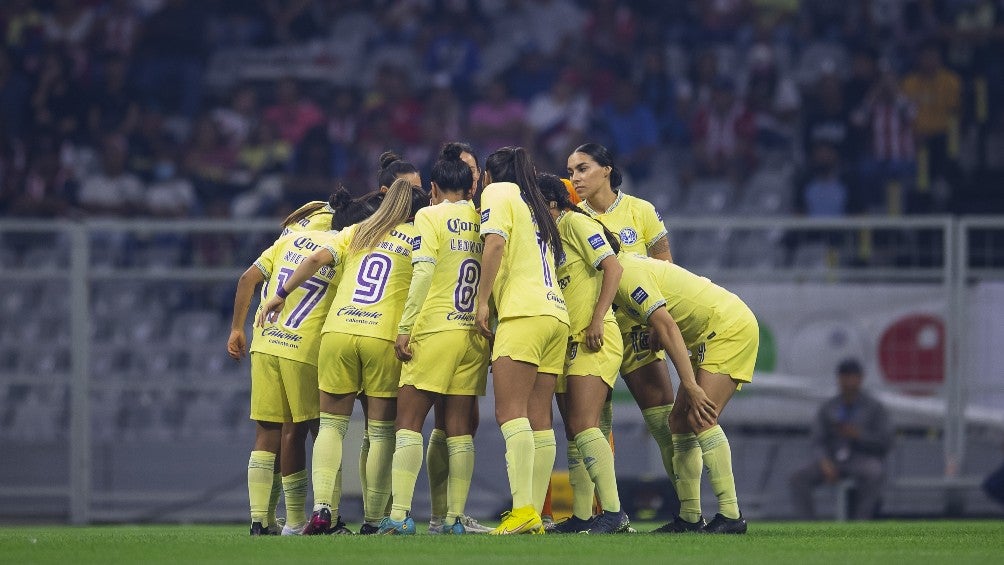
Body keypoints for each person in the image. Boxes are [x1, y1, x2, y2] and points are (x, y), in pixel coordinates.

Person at [257, 177, 427, 535]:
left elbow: (317, 257)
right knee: (380, 432)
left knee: (331, 427)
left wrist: (282, 292)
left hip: (337, 332)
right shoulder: (417, 237)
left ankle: (321, 510)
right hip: (381, 335)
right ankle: (374, 519)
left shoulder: (359, 230)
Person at [227, 189, 355, 535]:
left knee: (267, 431)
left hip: (265, 341)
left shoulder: (287, 240)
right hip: (305, 347)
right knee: (316, 431)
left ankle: (259, 521)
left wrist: (237, 329)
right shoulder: (344, 246)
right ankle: (307, 519)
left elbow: (246, 280)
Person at [377, 144, 490, 535]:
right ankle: (454, 518)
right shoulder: (482, 220)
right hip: (473, 335)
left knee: (408, 423)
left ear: (435, 187)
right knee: (459, 430)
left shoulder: (430, 214)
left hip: (436, 328)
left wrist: (406, 326)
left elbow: (423, 271)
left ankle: (399, 516)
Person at [567, 143, 678, 531]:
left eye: (583, 169)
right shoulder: (570, 216)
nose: (575, 178)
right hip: (592, 333)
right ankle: (591, 515)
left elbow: (664, 263)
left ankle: (690, 511)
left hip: (635, 332)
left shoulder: (640, 210)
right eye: (571, 171)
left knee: (665, 422)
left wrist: (655, 322)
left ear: (607, 170)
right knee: (588, 426)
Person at [611, 251, 759, 534]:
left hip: (727, 328)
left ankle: (731, 515)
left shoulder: (625, 274)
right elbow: (665, 311)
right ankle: (690, 517)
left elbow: (667, 325)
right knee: (678, 423)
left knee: (701, 417)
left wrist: (689, 384)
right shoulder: (626, 267)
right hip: (709, 332)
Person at [476, 146, 569, 535]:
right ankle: (532, 514)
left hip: (523, 313)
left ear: (489, 175)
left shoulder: (498, 193)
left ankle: (522, 509)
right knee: (539, 417)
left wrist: (482, 302)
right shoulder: (536, 205)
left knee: (509, 413)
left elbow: (494, 244)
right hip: (555, 315)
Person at [536, 173, 630, 534]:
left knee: (585, 425)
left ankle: (613, 512)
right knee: (575, 431)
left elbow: (613, 267)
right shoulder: (549, 238)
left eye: (536, 205)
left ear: (553, 205)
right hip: (566, 343)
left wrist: (596, 321)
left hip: (593, 337)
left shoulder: (575, 222)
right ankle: (580, 515)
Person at [422, 142, 493, 535]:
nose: (467, 175)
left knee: (463, 423)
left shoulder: (486, 216)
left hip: (467, 330)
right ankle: (443, 515)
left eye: (471, 168)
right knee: (445, 424)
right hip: (452, 326)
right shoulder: (475, 219)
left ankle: (448, 515)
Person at [789, 359, 893, 521]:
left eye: (853, 377)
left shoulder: (874, 408)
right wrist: (824, 461)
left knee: (874, 472)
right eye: (845, 377)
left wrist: (859, 435)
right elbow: (817, 440)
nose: (849, 381)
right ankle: (808, 526)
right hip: (832, 459)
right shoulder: (830, 407)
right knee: (798, 477)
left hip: (861, 458)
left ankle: (861, 522)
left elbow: (885, 441)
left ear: (861, 378)